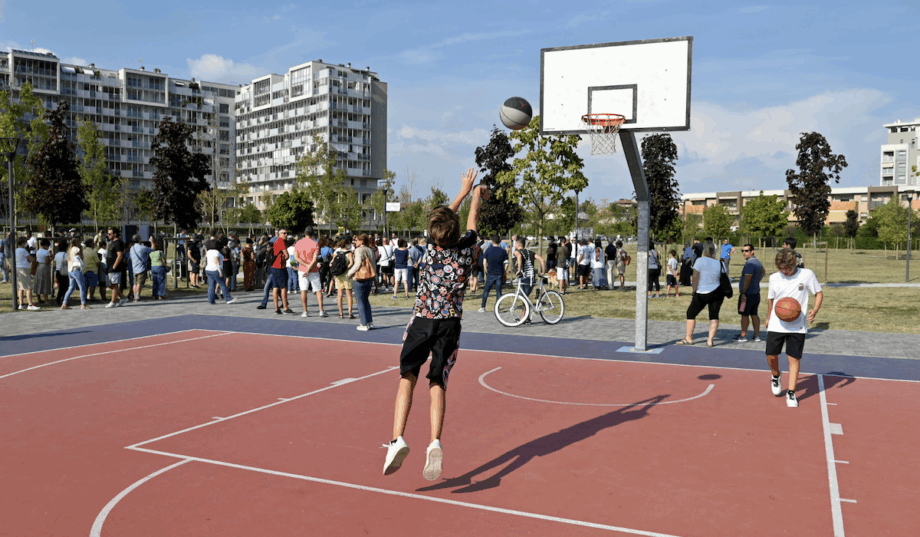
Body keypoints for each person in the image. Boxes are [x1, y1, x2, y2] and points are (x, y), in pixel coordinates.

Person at [383, 167, 486, 481]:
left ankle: (397, 438)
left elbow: (444, 221)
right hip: (449, 324)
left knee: (407, 377)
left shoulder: (428, 252)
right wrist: (476, 197)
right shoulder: (468, 252)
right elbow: (470, 222)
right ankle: (435, 442)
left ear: (434, 232)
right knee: (438, 383)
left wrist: (463, 191)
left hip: (422, 320)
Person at [765, 249, 823, 408]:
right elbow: (771, 299)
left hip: (797, 325)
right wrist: (769, 316)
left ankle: (791, 392)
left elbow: (818, 293)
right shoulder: (774, 278)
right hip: (777, 323)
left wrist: (815, 309)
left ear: (794, 264)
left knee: (794, 359)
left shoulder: (807, 274)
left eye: (787, 269)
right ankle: (776, 376)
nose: (784, 272)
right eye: (781, 269)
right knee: (770, 354)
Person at [678, 240, 723, 347]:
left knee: (691, 313)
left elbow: (695, 276)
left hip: (701, 291)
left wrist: (694, 290)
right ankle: (710, 340)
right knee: (714, 315)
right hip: (717, 292)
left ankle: (688, 337)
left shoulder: (700, 260)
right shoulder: (719, 262)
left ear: (705, 249)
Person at [294, 226, 327, 317]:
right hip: (313, 269)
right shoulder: (315, 243)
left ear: (305, 232)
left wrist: (305, 266)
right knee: (318, 290)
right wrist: (309, 267)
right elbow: (315, 258)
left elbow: (297, 258)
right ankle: (321, 310)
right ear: (313, 233)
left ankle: (305, 311)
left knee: (303, 290)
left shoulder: (298, 243)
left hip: (302, 269)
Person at [734, 244, 764, 342]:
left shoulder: (750, 264)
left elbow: (747, 278)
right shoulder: (758, 262)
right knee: (754, 313)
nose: (744, 253)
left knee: (744, 314)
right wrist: (757, 280)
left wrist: (743, 292)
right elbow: (763, 271)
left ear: (752, 251)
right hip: (756, 293)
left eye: (746, 251)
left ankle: (743, 336)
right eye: (742, 250)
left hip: (747, 295)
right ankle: (757, 335)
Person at [347, 233, 377, 330]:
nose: (356, 242)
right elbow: (373, 264)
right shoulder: (370, 250)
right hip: (370, 277)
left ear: (361, 241)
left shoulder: (359, 250)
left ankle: (363, 324)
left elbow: (358, 264)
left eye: (357, 240)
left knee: (360, 301)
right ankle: (369, 322)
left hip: (361, 278)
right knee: (366, 300)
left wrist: (350, 273)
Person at [478, 235, 508, 312]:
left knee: (486, 291)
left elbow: (484, 262)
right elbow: (507, 263)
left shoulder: (488, 250)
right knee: (498, 291)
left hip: (491, 273)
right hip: (499, 273)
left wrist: (486, 270)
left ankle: (483, 306)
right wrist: (504, 271)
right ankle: (497, 307)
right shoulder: (503, 251)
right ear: (500, 241)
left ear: (492, 241)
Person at [204, 239, 236, 305]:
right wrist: (220, 271)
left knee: (211, 285)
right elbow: (217, 262)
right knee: (222, 284)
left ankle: (211, 300)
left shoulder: (209, 251)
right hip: (215, 269)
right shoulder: (216, 252)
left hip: (208, 269)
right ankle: (228, 299)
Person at [61, 238, 89, 310]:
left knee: (71, 287)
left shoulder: (69, 250)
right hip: (76, 269)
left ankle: (64, 303)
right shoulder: (76, 249)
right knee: (82, 287)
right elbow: (80, 258)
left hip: (70, 270)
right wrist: (81, 250)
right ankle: (83, 304)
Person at [331, 236, 355, 319]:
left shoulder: (337, 252)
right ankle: (350, 313)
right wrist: (346, 269)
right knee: (349, 295)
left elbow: (332, 263)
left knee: (339, 295)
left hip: (338, 275)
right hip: (347, 275)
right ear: (347, 244)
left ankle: (341, 313)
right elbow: (351, 263)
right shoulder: (349, 253)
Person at [14, 236, 40, 310]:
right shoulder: (24, 250)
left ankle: (21, 303)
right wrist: (34, 258)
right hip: (24, 268)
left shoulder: (16, 250)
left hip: (18, 268)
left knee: (21, 287)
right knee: (29, 287)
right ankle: (30, 304)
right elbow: (31, 259)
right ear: (23, 243)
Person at [271, 229, 293, 314]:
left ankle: (277, 308)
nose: (286, 234)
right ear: (279, 234)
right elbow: (287, 255)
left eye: (287, 233)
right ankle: (285, 307)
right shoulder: (281, 242)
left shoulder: (277, 241)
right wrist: (285, 257)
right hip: (280, 267)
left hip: (274, 267)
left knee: (275, 288)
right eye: (284, 233)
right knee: (284, 287)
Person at [105, 227, 128, 308]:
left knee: (114, 284)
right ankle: (122, 297)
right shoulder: (112, 242)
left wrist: (114, 266)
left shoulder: (118, 243)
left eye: (110, 234)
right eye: (108, 234)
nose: (108, 235)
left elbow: (120, 255)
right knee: (110, 285)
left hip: (115, 267)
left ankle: (113, 302)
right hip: (110, 266)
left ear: (115, 234)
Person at [129, 234, 151, 302]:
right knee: (139, 283)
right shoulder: (142, 247)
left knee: (135, 283)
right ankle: (137, 297)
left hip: (134, 268)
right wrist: (152, 242)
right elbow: (152, 249)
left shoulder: (131, 248)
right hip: (141, 268)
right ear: (139, 240)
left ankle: (134, 295)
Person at [31, 238, 53, 304]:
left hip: (38, 267)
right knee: (45, 283)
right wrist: (52, 258)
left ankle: (39, 299)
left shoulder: (38, 251)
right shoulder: (46, 252)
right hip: (44, 267)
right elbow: (47, 261)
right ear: (46, 245)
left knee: (38, 283)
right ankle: (46, 299)